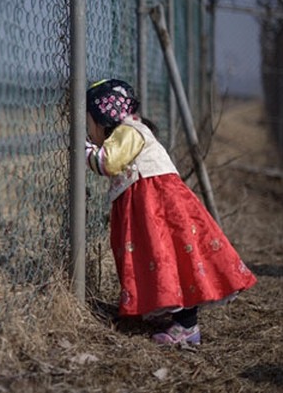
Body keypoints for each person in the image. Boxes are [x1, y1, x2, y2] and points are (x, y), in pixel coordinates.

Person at [84, 78, 257, 345]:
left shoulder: (130, 131)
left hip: (155, 205)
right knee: (159, 257)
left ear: (104, 117)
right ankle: (170, 312)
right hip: (150, 204)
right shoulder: (128, 130)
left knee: (171, 257)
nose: (87, 131)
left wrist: (82, 148)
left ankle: (187, 327)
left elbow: (108, 162)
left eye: (87, 124)